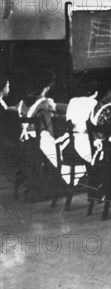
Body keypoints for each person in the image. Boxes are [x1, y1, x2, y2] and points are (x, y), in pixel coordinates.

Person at [15, 70, 59, 201]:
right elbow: (51, 129)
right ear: (46, 87)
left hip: (24, 143)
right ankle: (58, 186)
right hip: (38, 146)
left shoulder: (21, 103)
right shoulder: (46, 103)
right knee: (61, 145)